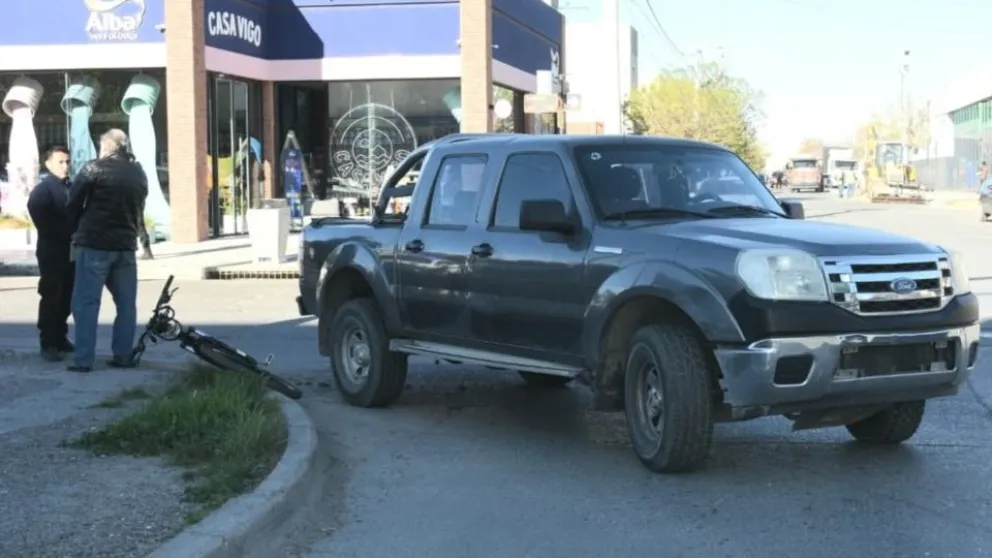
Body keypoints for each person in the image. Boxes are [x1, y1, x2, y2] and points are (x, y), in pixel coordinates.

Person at [65, 129, 148, 372]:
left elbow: (73, 202)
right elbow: (139, 207)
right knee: (126, 304)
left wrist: (76, 229)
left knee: (86, 303)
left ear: (107, 147)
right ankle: (122, 355)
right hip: (125, 246)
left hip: (94, 244)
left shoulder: (93, 168)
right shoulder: (138, 173)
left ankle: (83, 360)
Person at [26, 145, 74, 361]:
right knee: (52, 296)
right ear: (48, 163)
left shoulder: (70, 186)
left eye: (67, 162)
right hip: (52, 251)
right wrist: (66, 232)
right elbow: (41, 219)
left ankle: (61, 337)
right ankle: (48, 342)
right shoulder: (43, 190)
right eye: (60, 162)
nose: (65, 166)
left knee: (67, 296)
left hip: (71, 251)